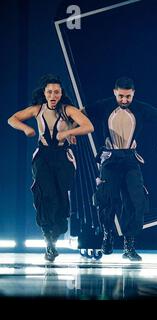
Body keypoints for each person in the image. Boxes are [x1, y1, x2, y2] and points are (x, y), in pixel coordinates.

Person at [86, 77, 157, 261]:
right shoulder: (105, 106)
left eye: (128, 96)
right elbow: (80, 113)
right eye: (121, 96)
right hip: (110, 159)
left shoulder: (140, 108)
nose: (124, 100)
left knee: (136, 200)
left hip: (130, 159)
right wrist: (72, 130)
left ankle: (129, 246)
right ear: (115, 92)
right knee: (106, 199)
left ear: (133, 94)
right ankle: (107, 234)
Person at [7, 74, 94, 262]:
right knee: (45, 194)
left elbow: (88, 127)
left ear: (61, 93)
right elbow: (12, 119)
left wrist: (68, 132)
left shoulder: (68, 109)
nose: (53, 95)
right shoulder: (37, 109)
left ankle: (54, 237)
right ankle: (48, 239)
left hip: (64, 157)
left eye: (56, 92)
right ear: (44, 93)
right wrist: (26, 129)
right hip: (43, 156)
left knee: (61, 197)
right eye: (49, 92)